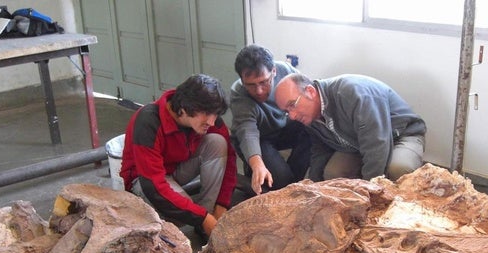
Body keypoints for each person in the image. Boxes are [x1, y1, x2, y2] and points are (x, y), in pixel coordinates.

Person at [119, 74, 237, 239]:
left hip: (175, 169)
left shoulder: (210, 120)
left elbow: (230, 161)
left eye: (215, 114)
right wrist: (200, 217)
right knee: (178, 217)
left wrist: (221, 205)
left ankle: (207, 223)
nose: (211, 121)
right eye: (205, 113)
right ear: (184, 108)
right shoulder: (148, 121)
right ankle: (203, 220)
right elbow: (154, 186)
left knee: (217, 142)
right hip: (144, 181)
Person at [274, 73, 426, 182]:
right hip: (357, 143)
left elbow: (377, 145)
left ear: (310, 92)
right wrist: (313, 186)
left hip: (401, 134)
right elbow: (320, 150)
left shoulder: (352, 93)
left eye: (292, 105)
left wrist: (368, 194)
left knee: (398, 169)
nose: (292, 116)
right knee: (333, 172)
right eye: (287, 112)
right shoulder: (310, 115)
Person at [230, 44, 311, 195]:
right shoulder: (239, 94)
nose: (259, 91)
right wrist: (257, 164)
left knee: (310, 128)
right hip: (258, 138)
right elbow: (248, 132)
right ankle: (256, 177)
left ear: (274, 71)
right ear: (241, 79)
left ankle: (291, 186)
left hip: (282, 128)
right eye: (251, 85)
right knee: (280, 179)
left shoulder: (287, 72)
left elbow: (308, 98)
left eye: (263, 82)